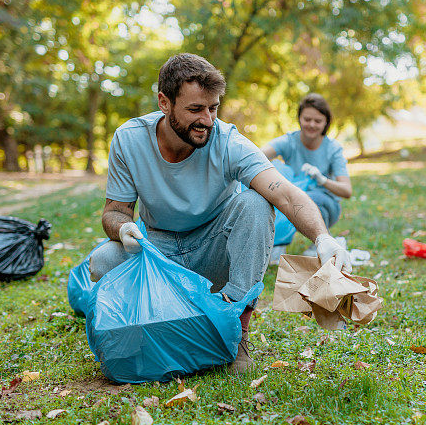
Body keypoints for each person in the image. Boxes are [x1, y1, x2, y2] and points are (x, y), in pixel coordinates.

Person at [88, 53, 352, 373]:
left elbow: (283, 191)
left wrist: (322, 239)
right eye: (196, 109)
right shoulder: (129, 140)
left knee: (255, 203)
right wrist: (123, 229)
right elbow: (114, 212)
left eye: (213, 108)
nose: (207, 120)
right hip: (157, 248)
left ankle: (235, 334)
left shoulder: (227, 141)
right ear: (164, 102)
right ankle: (142, 330)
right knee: (103, 259)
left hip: (215, 251)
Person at [261, 94, 352, 260]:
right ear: (299, 118)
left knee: (305, 197)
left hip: (325, 204)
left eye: (318, 121)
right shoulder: (289, 141)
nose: (311, 124)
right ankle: (276, 244)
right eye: (307, 119)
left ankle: (322, 241)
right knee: (277, 195)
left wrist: (322, 180)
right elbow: (257, 156)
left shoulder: (333, 149)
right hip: (292, 198)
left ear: (326, 123)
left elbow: (346, 191)